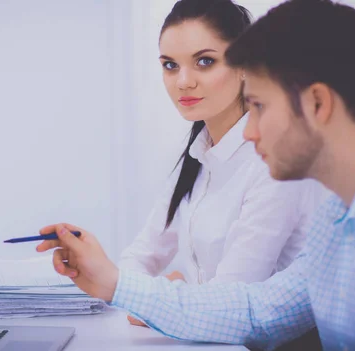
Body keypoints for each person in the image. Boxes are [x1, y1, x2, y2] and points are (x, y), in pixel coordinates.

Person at [35, 0, 355, 350]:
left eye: (259, 106)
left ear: (317, 104)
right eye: (170, 65)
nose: (248, 131)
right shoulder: (336, 216)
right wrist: (116, 283)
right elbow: (256, 313)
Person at [116, 0, 325, 326]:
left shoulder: (274, 162)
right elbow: (137, 258)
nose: (183, 81)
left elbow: (231, 298)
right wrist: (164, 295)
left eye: (204, 61)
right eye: (170, 65)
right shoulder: (197, 156)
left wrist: (167, 295)